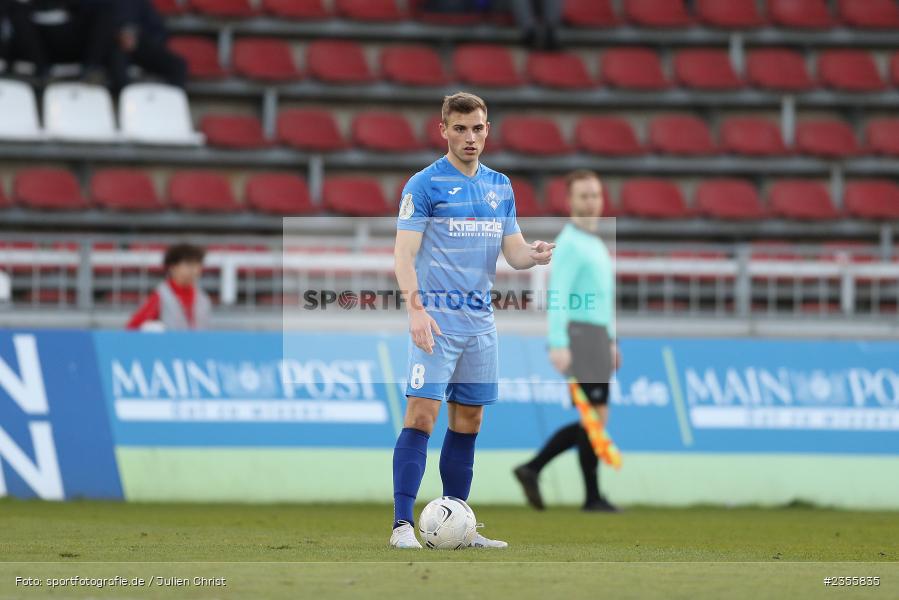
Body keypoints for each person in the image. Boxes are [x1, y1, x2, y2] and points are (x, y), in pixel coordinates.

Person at [389, 91, 555, 549]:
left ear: (488, 130)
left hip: (481, 323)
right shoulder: (423, 185)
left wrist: (534, 257)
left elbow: (514, 251)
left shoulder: (500, 185)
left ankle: (457, 524)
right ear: (442, 130)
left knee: (469, 422)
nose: (470, 137)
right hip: (437, 320)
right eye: (460, 128)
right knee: (422, 416)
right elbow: (403, 254)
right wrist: (415, 309)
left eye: (477, 128)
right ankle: (402, 525)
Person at [513, 169, 621, 512]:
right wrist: (558, 342)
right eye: (584, 195)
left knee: (594, 418)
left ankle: (534, 469)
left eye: (596, 194)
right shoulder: (572, 243)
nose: (592, 201)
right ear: (570, 200)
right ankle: (589, 495)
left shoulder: (594, 242)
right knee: (595, 417)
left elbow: (601, 297)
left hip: (597, 336)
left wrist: (611, 340)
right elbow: (558, 295)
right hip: (581, 335)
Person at [126, 243, 211, 330]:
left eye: (198, 265)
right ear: (173, 267)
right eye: (189, 265)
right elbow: (133, 327)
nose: (195, 270)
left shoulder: (203, 298)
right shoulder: (161, 296)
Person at [109, 0, 187, 92]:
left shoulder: (140, 3)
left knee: (178, 64)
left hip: (141, 46)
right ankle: (125, 99)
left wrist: (139, 39)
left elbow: (158, 30)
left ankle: (171, 100)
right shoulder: (105, 3)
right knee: (117, 60)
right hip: (113, 47)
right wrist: (118, 36)